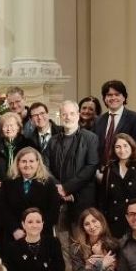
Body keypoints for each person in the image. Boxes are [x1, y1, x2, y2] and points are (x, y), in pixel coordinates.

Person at [47, 101, 100, 252]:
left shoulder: (91, 138)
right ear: (60, 116)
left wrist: (67, 188)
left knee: (83, 245)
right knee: (63, 247)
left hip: (82, 201)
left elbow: (91, 167)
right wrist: (59, 189)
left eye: (71, 114)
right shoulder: (53, 141)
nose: (67, 117)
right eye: (64, 114)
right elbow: (45, 168)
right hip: (60, 203)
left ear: (78, 115)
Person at [0, 112, 35, 241]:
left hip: (24, 193)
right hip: (3, 195)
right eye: (5, 126)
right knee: (4, 232)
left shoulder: (27, 144)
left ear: (18, 127)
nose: (8, 128)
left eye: (12, 125)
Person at [0, 147, 60, 245]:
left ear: (38, 163)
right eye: (24, 161)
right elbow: (2, 209)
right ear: (18, 163)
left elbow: (53, 212)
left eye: (31, 161)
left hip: (42, 236)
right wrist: (15, 229)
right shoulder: (8, 183)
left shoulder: (48, 183)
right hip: (14, 236)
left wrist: (34, 232)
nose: (27, 165)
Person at [98, 133, 136, 238]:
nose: (122, 150)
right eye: (118, 147)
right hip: (114, 225)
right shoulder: (109, 169)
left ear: (132, 147)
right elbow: (103, 200)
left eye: (125, 146)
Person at [94, 80, 136, 161]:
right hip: (101, 168)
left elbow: (135, 146)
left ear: (124, 97)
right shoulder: (98, 120)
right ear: (104, 98)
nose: (113, 98)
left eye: (117, 94)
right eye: (109, 95)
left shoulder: (135, 118)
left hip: (124, 167)